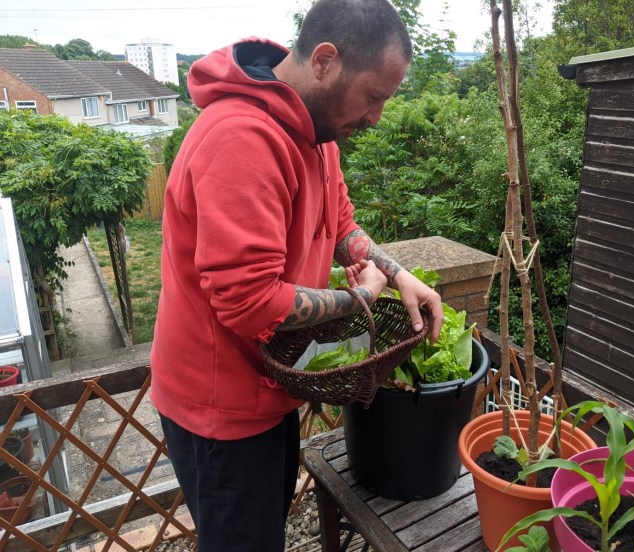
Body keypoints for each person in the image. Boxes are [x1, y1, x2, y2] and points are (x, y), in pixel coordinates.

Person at [149, 0, 444, 549]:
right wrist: (358, 298)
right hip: (221, 407)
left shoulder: (315, 133)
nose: (377, 116)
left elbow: (341, 224)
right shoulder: (241, 139)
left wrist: (395, 272)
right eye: (374, 96)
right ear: (326, 61)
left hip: (268, 385)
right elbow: (249, 301)